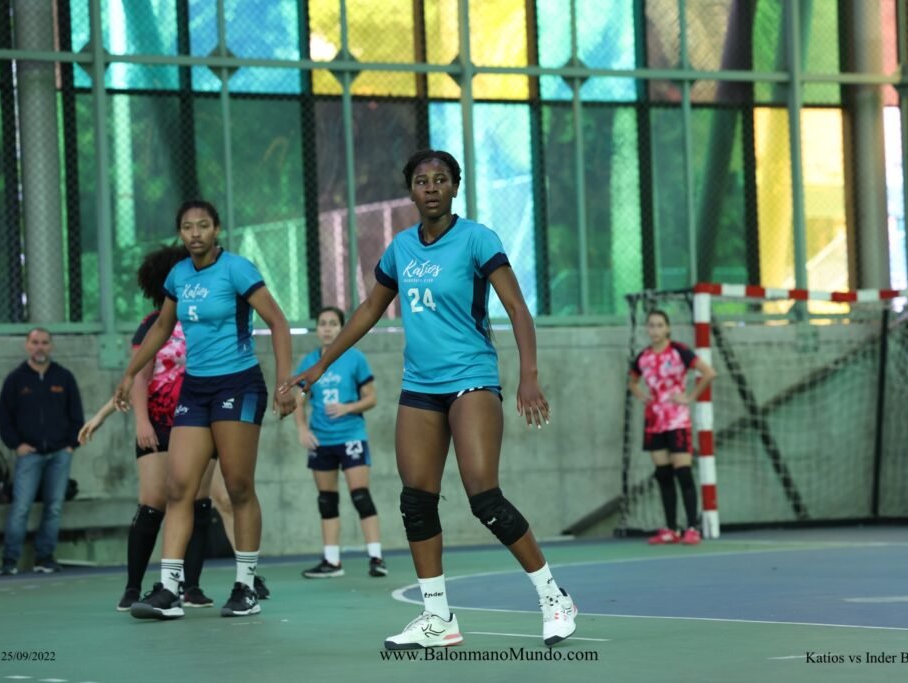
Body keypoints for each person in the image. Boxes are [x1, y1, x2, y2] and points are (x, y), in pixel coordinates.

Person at [283, 149, 577, 650]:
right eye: (422, 181)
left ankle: (554, 597)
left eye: (441, 179)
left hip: (471, 378)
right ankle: (438, 618)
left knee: (484, 496)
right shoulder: (400, 247)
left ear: (455, 187)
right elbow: (368, 310)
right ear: (411, 191)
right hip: (420, 386)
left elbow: (516, 308)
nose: (432, 187)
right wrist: (321, 364)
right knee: (416, 501)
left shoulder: (478, 239)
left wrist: (529, 376)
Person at [113, 199, 296, 620]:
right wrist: (130, 373)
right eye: (187, 227)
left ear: (216, 230)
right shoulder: (178, 275)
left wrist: (286, 382)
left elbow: (278, 322)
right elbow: (162, 327)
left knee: (238, 486)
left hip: (238, 383)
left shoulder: (237, 269)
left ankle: (245, 587)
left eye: (203, 225)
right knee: (179, 487)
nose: (195, 233)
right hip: (195, 390)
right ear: (180, 233)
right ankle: (169, 589)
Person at [78, 244, 269, 611]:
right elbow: (137, 376)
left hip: (203, 417)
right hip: (161, 422)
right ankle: (136, 587)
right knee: (156, 502)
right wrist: (119, 417)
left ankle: (196, 585)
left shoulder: (206, 323)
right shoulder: (155, 324)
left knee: (210, 498)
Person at [294, 306, 387, 579]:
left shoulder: (355, 358)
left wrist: (348, 408)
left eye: (333, 323)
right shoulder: (309, 362)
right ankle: (332, 561)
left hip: (351, 436)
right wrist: (302, 428)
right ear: (317, 329)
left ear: (342, 328)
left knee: (360, 496)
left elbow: (372, 398)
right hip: (322, 440)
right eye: (322, 323)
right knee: (326, 500)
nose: (327, 328)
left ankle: (376, 558)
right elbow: (298, 399)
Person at [0, 328, 84, 575]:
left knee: (54, 506)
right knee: (21, 507)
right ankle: (9, 561)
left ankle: (44, 558)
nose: (40, 347)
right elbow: (4, 417)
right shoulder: (16, 379)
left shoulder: (64, 377)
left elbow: (77, 415)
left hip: (60, 454)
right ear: (27, 345)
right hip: (29, 455)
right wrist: (17, 445)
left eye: (44, 342)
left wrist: (71, 445)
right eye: (35, 342)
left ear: (51, 346)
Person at [627, 309, 717, 545]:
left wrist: (690, 397)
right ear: (647, 329)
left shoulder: (680, 351)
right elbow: (632, 381)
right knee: (663, 476)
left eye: (660, 325)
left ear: (667, 328)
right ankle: (670, 528)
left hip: (677, 421)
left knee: (683, 473)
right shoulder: (643, 357)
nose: (655, 330)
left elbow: (709, 373)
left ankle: (692, 527)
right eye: (651, 325)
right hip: (654, 423)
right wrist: (641, 395)